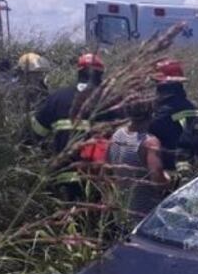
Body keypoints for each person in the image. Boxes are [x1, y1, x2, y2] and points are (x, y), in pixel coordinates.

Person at [33, 53, 106, 200]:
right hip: (98, 180)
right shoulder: (109, 99)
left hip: (63, 177)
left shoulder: (57, 97)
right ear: (100, 75)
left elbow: (35, 133)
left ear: (78, 72)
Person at [105, 100, 170, 225]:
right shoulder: (150, 143)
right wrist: (169, 179)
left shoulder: (116, 135)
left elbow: (106, 171)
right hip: (145, 216)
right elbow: (158, 182)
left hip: (121, 213)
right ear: (152, 112)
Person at [148, 58, 198, 177]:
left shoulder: (163, 113)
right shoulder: (190, 106)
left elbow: (147, 132)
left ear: (163, 86)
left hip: (168, 170)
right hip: (188, 165)